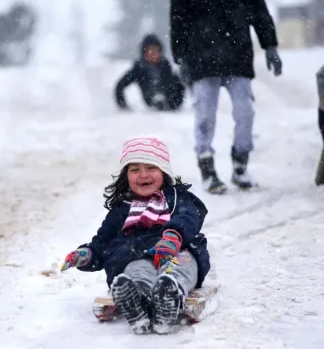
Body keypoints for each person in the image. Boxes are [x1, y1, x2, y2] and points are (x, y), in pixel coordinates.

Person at [60, 136, 211, 334]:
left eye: (151, 168)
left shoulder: (177, 199)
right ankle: (137, 302)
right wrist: (87, 254)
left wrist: (173, 236)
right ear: (126, 176)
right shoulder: (121, 210)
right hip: (136, 256)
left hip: (176, 251)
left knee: (179, 267)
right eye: (135, 169)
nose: (143, 175)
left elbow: (189, 217)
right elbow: (103, 243)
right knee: (137, 271)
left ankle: (169, 297)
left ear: (164, 172)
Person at [170, 0, 283, 194]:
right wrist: (180, 57)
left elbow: (260, 13)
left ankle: (240, 164)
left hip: (237, 57)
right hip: (201, 60)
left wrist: (270, 45)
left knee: (245, 111)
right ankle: (207, 167)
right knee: (204, 114)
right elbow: (178, 22)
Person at [114, 34, 185, 111]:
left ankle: (161, 99)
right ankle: (157, 99)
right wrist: (123, 105)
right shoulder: (139, 68)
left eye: (155, 50)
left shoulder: (166, 66)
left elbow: (179, 86)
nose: (153, 54)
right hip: (150, 99)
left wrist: (175, 103)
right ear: (144, 52)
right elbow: (120, 86)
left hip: (170, 102)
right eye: (149, 51)